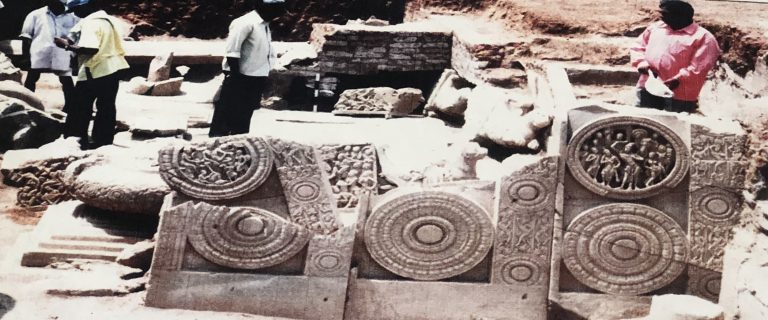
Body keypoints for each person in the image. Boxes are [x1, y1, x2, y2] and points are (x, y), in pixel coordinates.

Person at [54, 0, 129, 149]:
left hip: (95, 69)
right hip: (113, 67)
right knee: (106, 106)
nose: (75, 14)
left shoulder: (91, 23)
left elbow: (90, 48)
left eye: (76, 10)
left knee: (79, 106)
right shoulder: (109, 20)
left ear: (85, 7)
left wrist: (67, 46)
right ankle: (103, 140)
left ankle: (75, 139)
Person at [209, 0, 286, 137]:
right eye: (277, 9)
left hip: (256, 78)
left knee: (243, 119)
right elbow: (232, 52)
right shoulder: (245, 23)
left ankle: (239, 148)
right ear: (264, 7)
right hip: (240, 77)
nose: (280, 14)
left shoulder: (264, 25)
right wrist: (236, 77)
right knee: (225, 116)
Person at [630, 0, 720, 113]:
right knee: (644, 122)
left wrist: (678, 79)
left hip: (680, 95)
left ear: (680, 16)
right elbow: (638, 46)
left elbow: (699, 68)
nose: (661, 17)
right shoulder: (656, 28)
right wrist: (641, 63)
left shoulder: (704, 38)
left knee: (673, 126)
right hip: (648, 86)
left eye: (665, 13)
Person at [19, 0, 79, 114]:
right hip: (39, 53)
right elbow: (26, 37)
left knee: (66, 80)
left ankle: (71, 107)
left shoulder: (73, 17)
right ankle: (27, 105)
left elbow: (77, 37)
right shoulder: (35, 15)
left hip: (63, 53)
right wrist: (26, 57)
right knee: (31, 79)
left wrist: (75, 56)